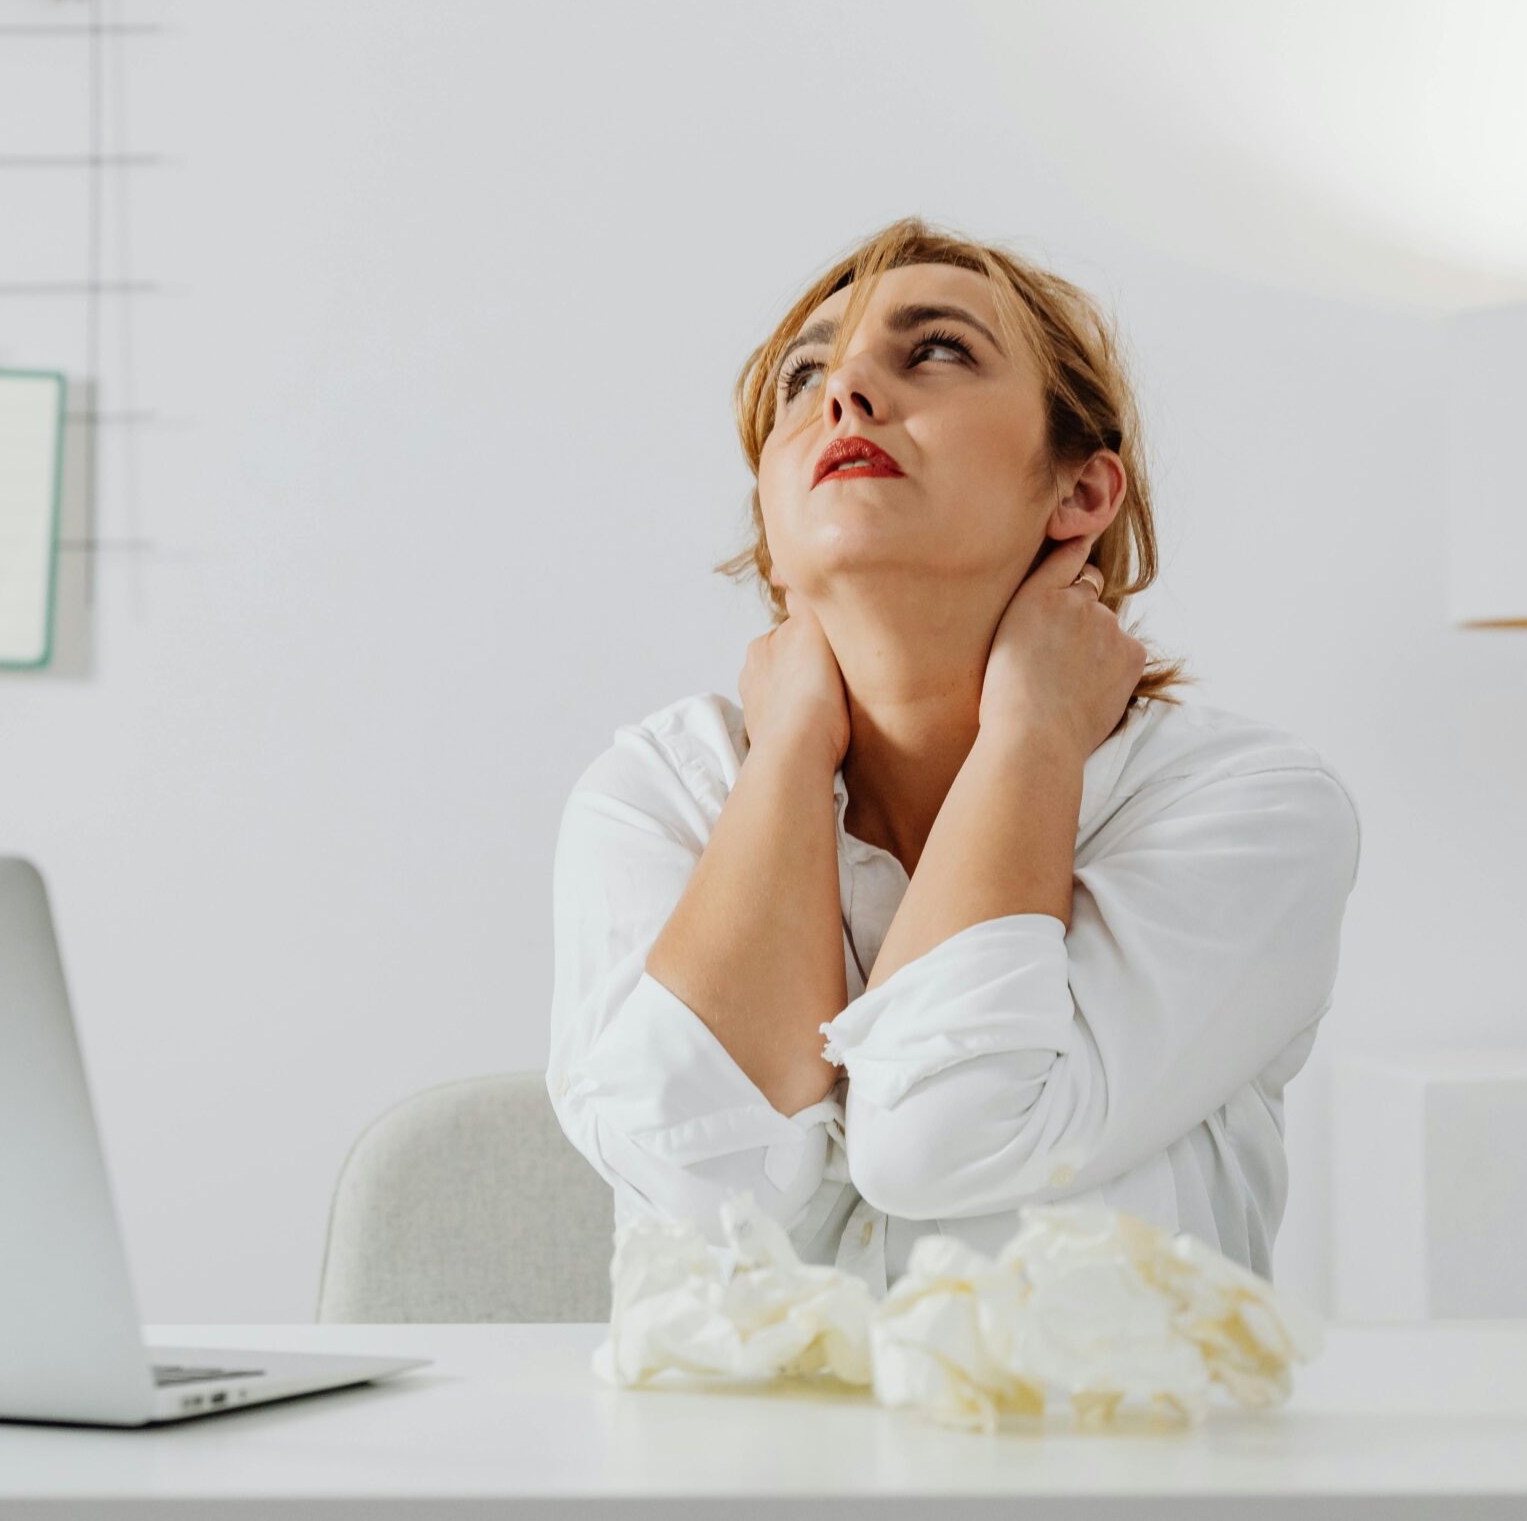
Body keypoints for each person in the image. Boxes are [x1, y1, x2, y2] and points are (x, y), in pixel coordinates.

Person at [546, 216, 1361, 1290]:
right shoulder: (659, 793)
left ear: (1078, 493)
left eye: (934, 350)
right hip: (731, 1459)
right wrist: (789, 747)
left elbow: (943, 1138)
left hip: (1110, 1455)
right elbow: (700, 1188)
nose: (845, 395)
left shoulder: (1247, 810)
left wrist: (1032, 730)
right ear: (768, 518)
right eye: (803, 377)